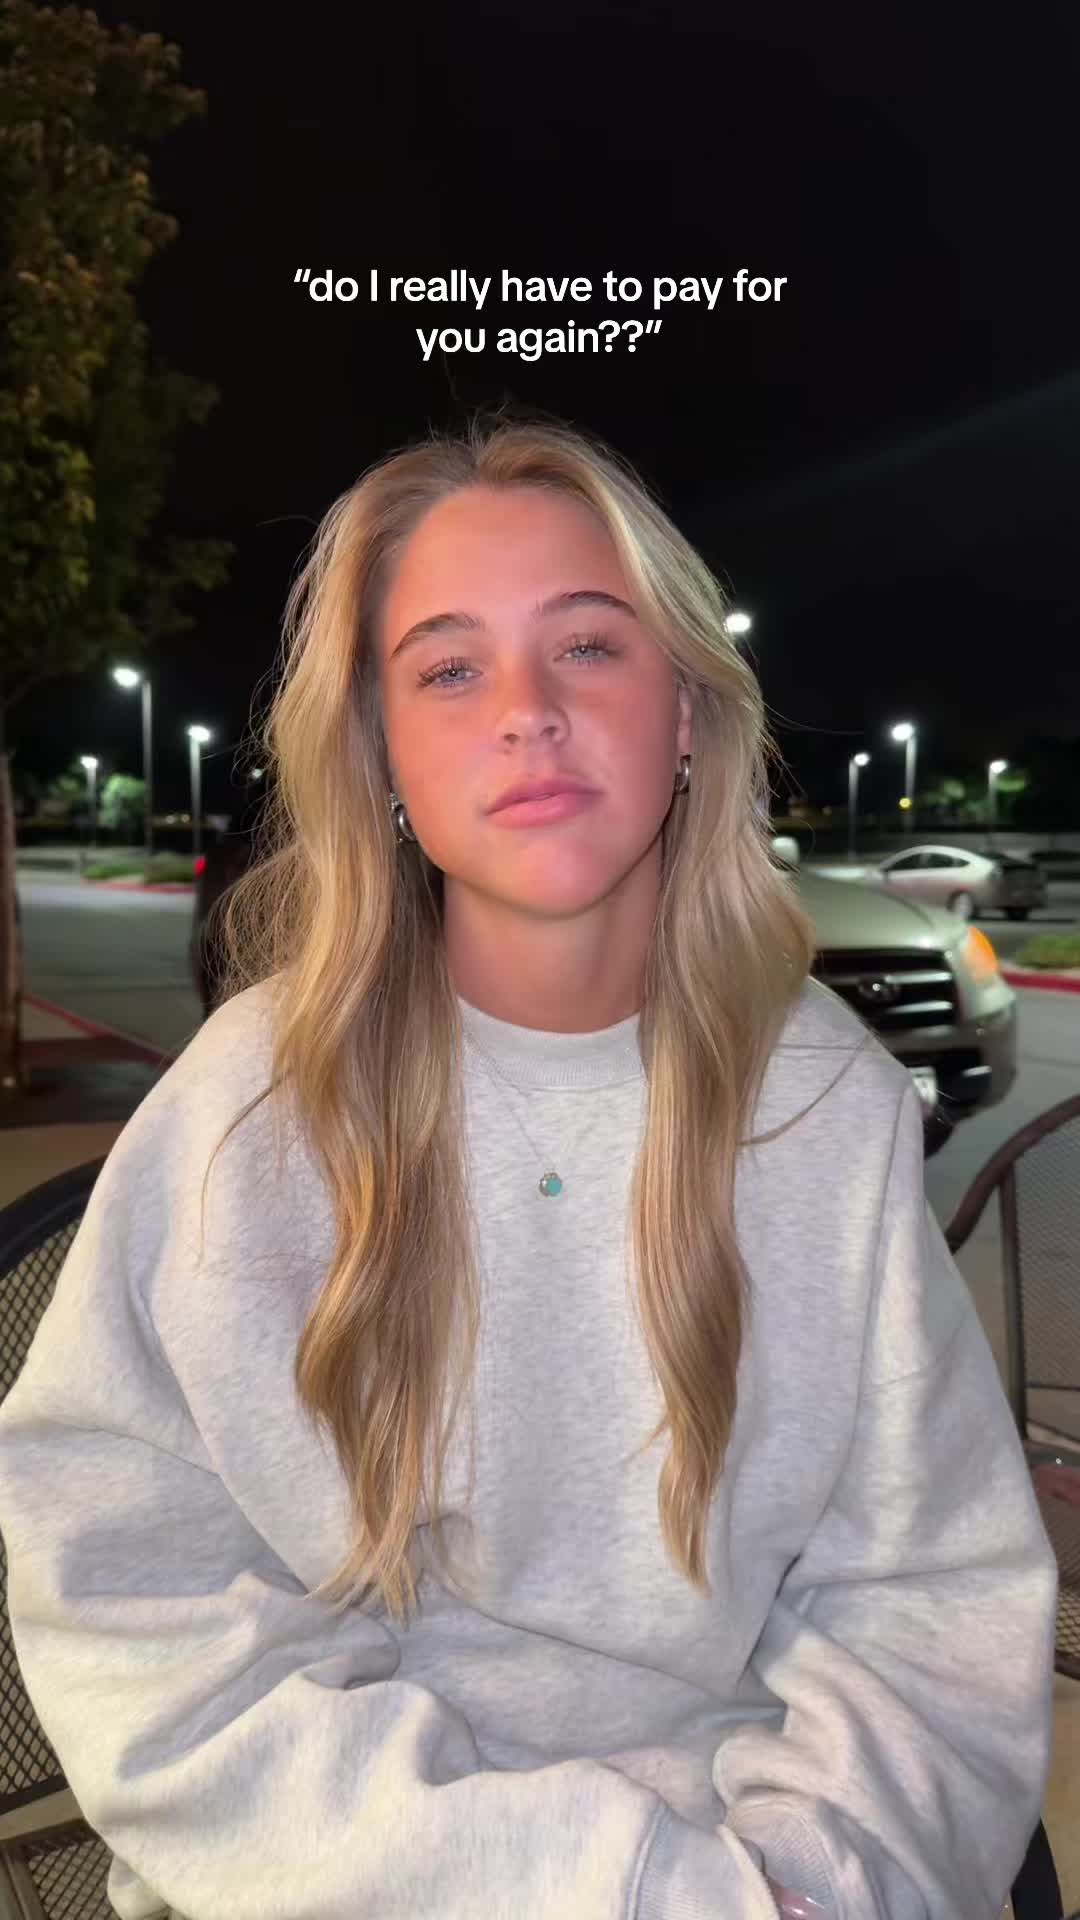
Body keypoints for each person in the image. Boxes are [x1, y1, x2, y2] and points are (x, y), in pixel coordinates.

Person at [0, 416, 1057, 1920]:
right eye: (448, 669)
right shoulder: (249, 1110)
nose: (527, 714)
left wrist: (812, 1880)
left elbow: (926, 1599)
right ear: (378, 752)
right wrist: (613, 1888)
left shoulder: (827, 1102)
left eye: (588, 646)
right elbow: (137, 1611)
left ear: (687, 713)